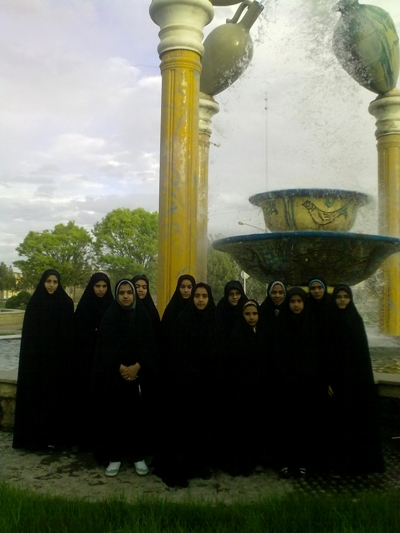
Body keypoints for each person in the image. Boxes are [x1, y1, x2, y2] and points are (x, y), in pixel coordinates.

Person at [155, 282, 224, 487]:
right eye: (197, 296)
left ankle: (202, 464)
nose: (200, 300)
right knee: (185, 427)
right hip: (186, 386)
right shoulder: (183, 320)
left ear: (209, 298)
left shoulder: (215, 320)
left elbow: (218, 353)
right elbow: (177, 354)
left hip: (208, 385)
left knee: (204, 427)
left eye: (204, 296)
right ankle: (185, 465)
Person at [90, 279, 158, 477]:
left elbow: (149, 345)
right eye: (122, 293)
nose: (126, 296)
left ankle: (138, 456)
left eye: (129, 292)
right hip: (115, 377)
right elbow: (104, 348)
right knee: (115, 416)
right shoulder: (110, 317)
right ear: (117, 295)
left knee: (137, 417)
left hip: (138, 378)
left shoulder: (142, 316)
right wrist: (120, 367)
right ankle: (115, 456)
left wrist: (137, 366)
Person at [13, 269, 74, 452]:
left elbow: (69, 335)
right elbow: (29, 338)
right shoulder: (35, 304)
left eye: (55, 282)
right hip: (39, 364)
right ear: (43, 282)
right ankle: (37, 440)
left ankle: (58, 439)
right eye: (48, 281)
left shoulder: (65, 303)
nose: (51, 285)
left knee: (57, 401)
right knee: (39, 402)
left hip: (59, 364)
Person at [327, 284, 384, 475]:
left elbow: (362, 354)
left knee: (355, 423)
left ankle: (357, 465)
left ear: (350, 298)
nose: (342, 300)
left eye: (346, 296)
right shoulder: (329, 320)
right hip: (336, 382)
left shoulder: (356, 320)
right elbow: (325, 354)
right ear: (334, 299)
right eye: (339, 297)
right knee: (338, 424)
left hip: (355, 381)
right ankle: (339, 464)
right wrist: (327, 380)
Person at [272, 287, 323, 477]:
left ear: (304, 303)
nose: (296, 305)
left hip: (306, 384)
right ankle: (284, 462)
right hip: (285, 384)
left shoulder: (311, 324)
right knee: (285, 423)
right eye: (292, 301)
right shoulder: (281, 324)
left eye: (299, 301)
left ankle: (303, 462)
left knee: (304, 423)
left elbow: (316, 354)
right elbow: (276, 353)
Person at [223, 299, 272, 476]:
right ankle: (243, 460)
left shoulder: (265, 333)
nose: (251, 317)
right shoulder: (236, 335)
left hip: (261, 389)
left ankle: (258, 458)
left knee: (260, 424)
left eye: (255, 314)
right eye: (247, 314)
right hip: (242, 391)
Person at [73, 273, 114, 449]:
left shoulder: (112, 307)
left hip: (106, 363)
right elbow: (78, 334)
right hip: (87, 363)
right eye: (98, 286)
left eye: (104, 286)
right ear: (92, 287)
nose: (101, 290)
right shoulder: (84, 307)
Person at [131, 274, 161, 458]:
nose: (141, 290)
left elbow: (154, 342)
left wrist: (141, 364)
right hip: (125, 371)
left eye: (144, 287)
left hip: (146, 370)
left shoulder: (151, 312)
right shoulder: (124, 311)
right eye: (137, 286)